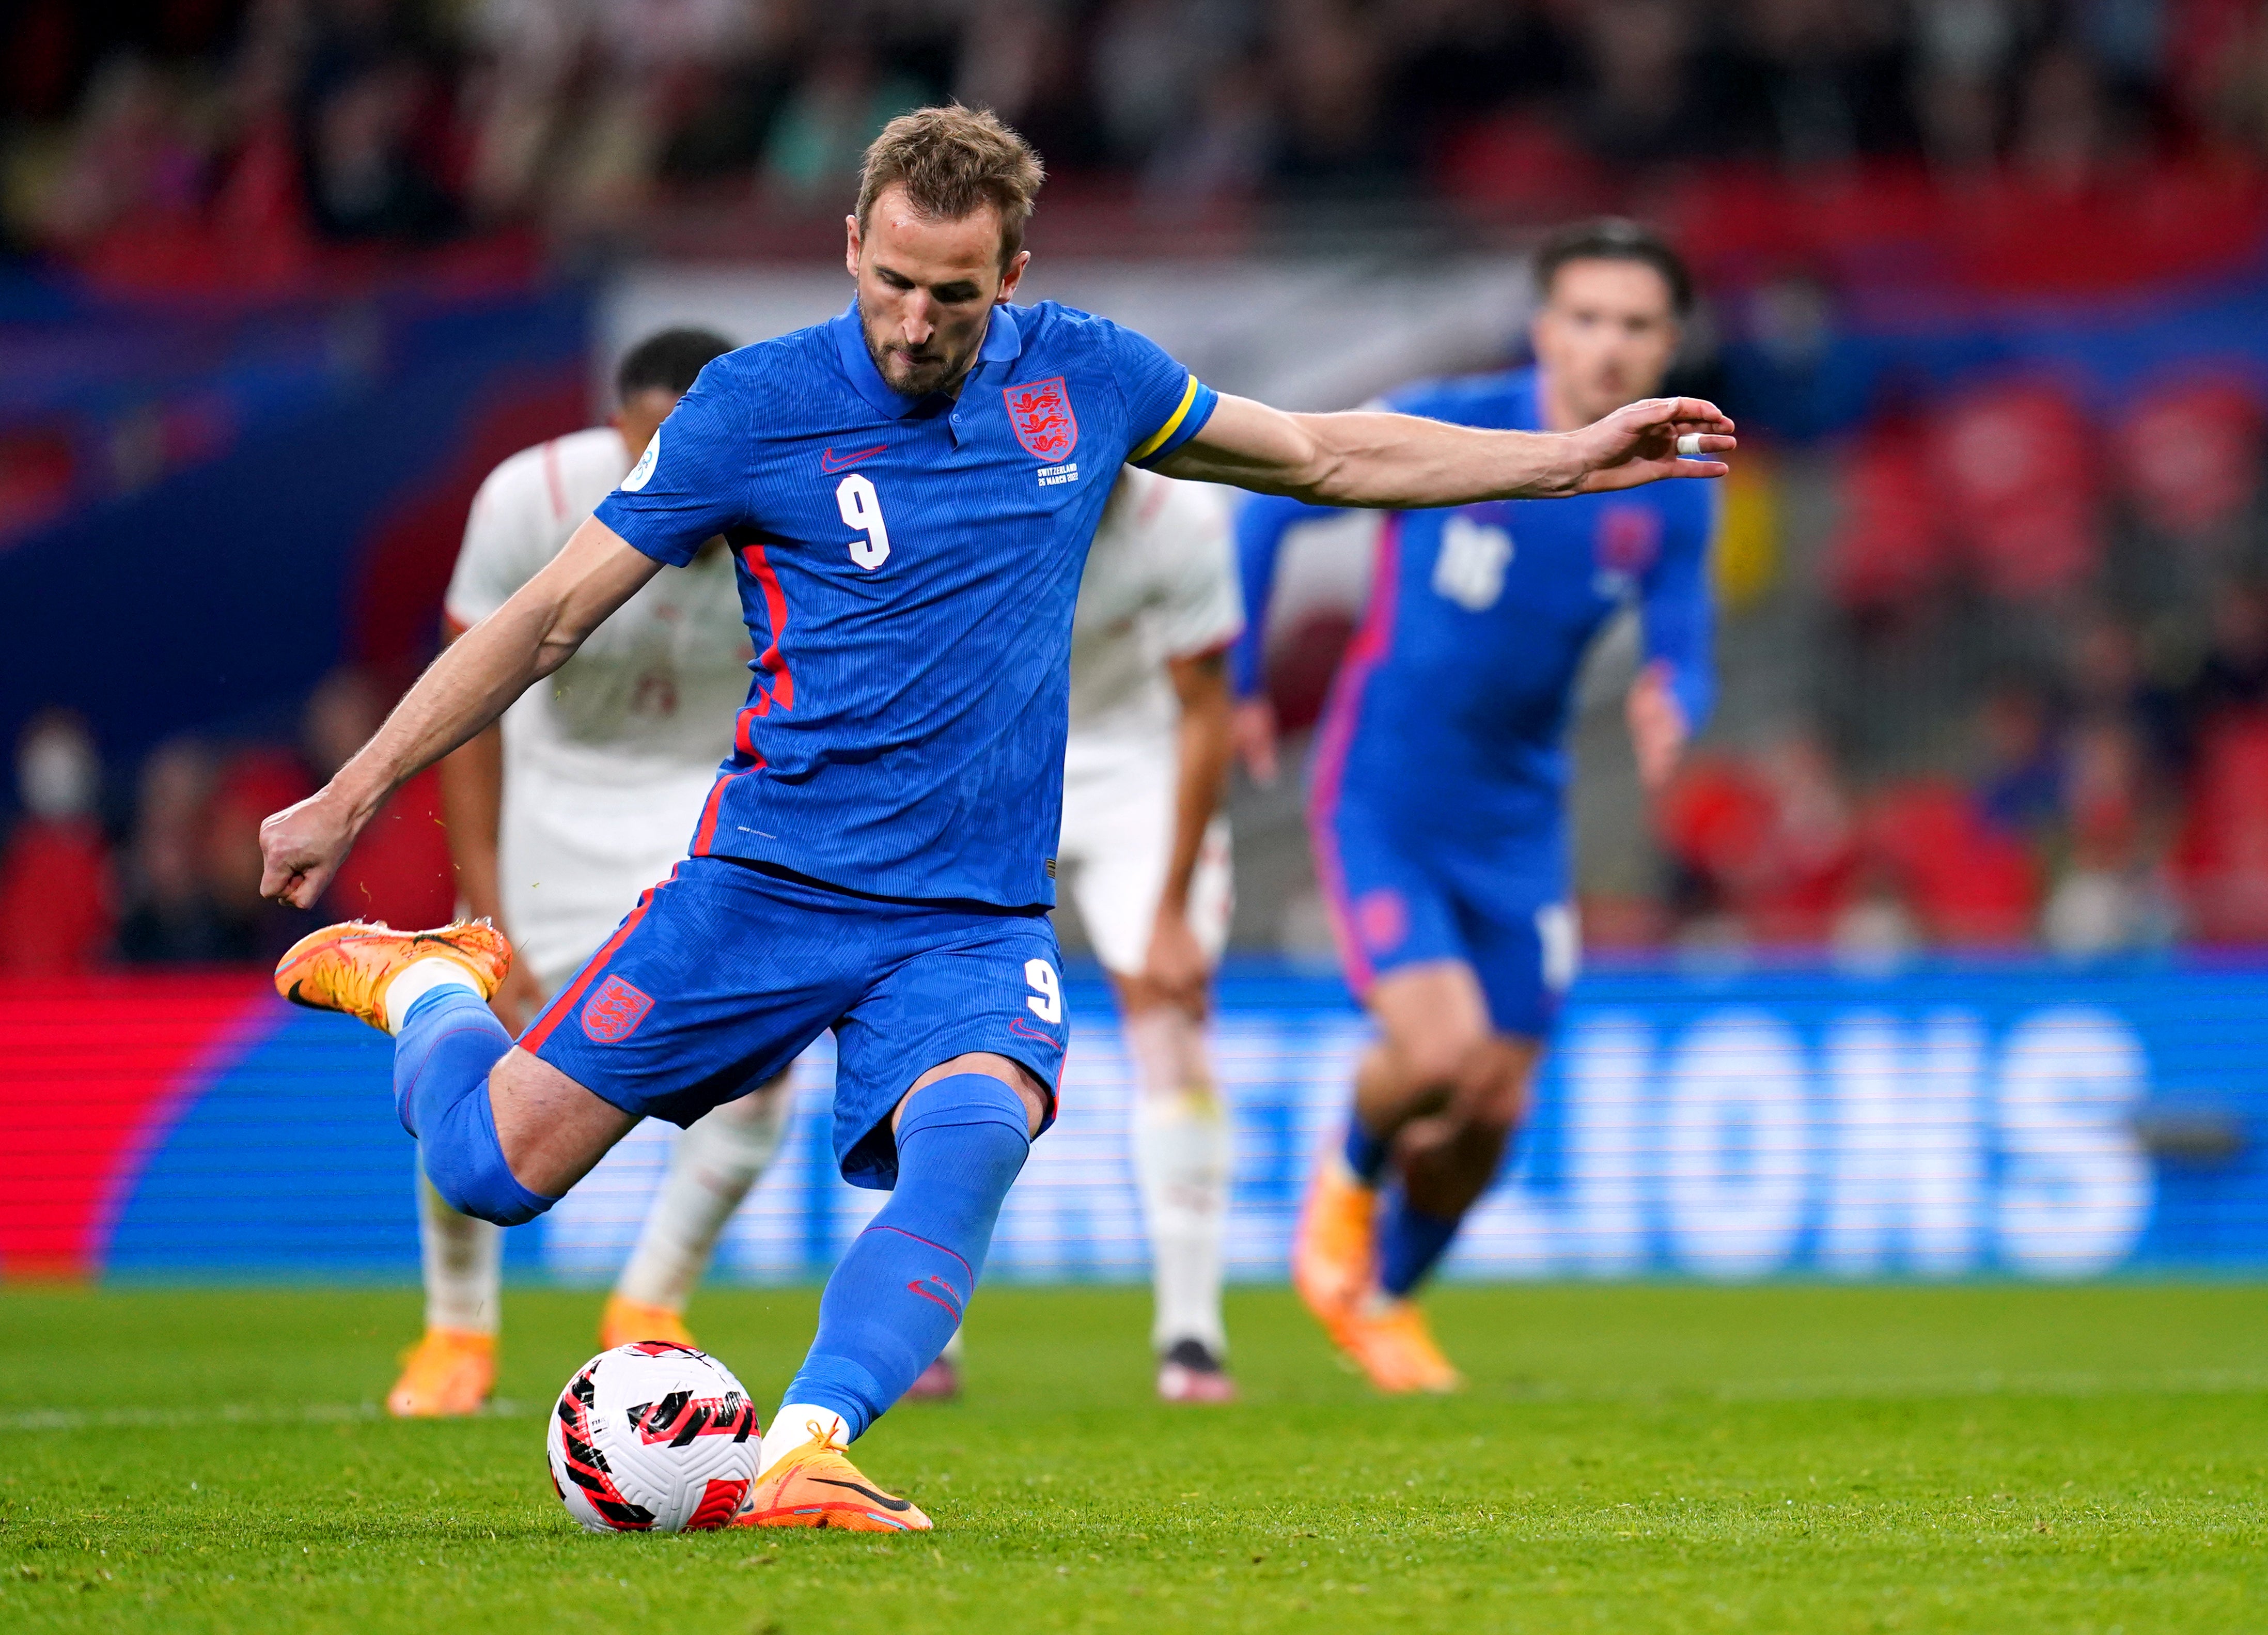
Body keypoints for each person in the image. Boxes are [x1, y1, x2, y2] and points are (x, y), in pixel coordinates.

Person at [258, 107, 1730, 1532]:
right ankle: (430, 983)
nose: (915, 321)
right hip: (763, 884)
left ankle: (806, 1448)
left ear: (1012, 279)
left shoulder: (1085, 378)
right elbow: (549, 617)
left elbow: (1324, 453)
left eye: (953, 296)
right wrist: (357, 784)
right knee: (489, 1172)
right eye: (892, 282)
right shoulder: (754, 407)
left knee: (981, 1125)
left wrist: (1569, 455)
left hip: (968, 914)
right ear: (851, 249)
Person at [1235, 219, 1719, 1393]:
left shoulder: (1669, 477)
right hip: (1386, 789)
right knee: (1439, 1048)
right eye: (1587, 318)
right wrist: (1243, 675)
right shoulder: (1455, 421)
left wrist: (1671, 697)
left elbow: (1682, 635)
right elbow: (1267, 508)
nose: (1608, 346)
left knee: (1493, 1108)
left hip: (1517, 818)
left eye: (1635, 324)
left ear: (1668, 341)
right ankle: (1340, 1200)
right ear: (1544, 326)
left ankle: (1385, 1299)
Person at [385, 326, 801, 1418]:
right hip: (547, 806)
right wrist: (481, 886)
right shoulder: (530, 497)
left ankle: (649, 1301)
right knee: (489, 1060)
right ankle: (456, 1332)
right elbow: (471, 697)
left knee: (766, 1066)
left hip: (702, 806)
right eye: (654, 439)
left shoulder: (788, 507)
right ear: (618, 431)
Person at [911, 464, 1244, 1406]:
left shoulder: (1180, 520)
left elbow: (1204, 707)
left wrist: (1174, 908)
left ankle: (1192, 1336)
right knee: (952, 1034)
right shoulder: (968, 493)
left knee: (1169, 1022)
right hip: (998, 763)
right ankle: (927, 1330)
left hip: (1141, 770)